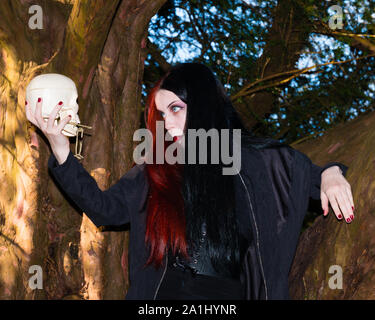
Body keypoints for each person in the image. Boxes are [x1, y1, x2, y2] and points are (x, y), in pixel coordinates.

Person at [25, 62, 353, 300]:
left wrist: (331, 173)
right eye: (161, 114)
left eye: (176, 108)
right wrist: (60, 147)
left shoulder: (252, 161)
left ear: (203, 105)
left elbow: (300, 173)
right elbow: (106, 209)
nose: (167, 122)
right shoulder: (155, 170)